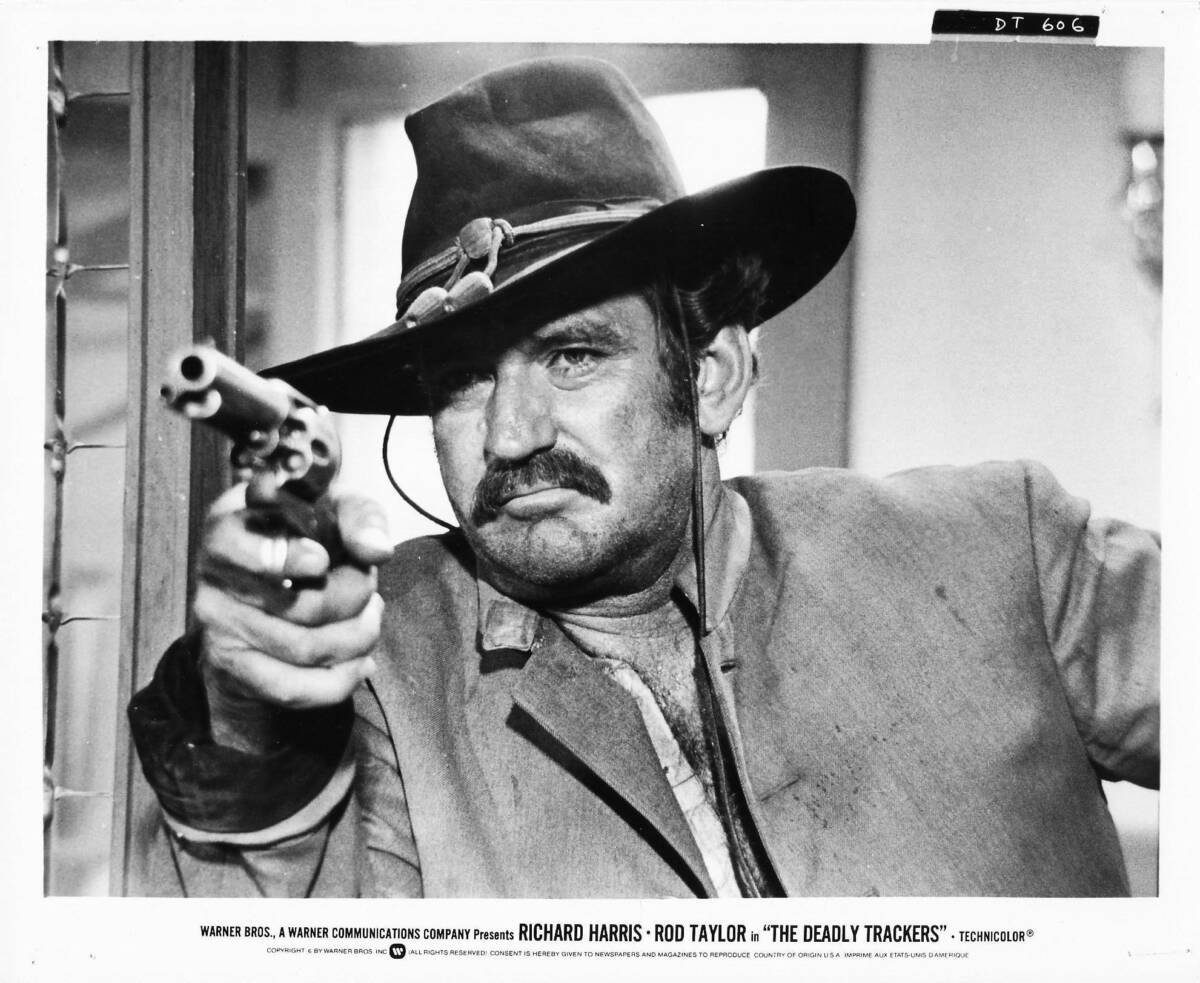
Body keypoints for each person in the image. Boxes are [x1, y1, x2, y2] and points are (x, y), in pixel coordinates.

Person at [128, 56, 1159, 898]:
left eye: (573, 355)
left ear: (710, 378)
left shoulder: (1000, 549)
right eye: (463, 379)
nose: (511, 434)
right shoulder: (375, 664)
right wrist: (253, 724)